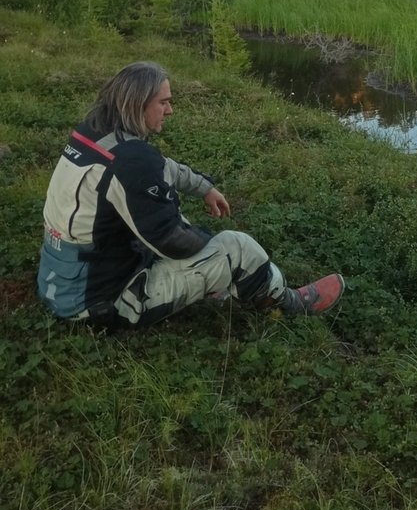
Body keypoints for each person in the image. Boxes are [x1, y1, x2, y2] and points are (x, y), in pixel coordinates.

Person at [38, 61, 344, 328]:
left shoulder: (93, 133)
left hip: (64, 280)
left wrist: (204, 187)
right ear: (137, 103)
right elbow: (171, 240)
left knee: (162, 209)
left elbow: (159, 168)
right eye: (163, 102)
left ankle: (222, 280)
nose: (170, 110)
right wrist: (215, 251)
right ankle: (288, 302)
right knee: (236, 248)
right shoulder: (133, 161)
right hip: (99, 302)